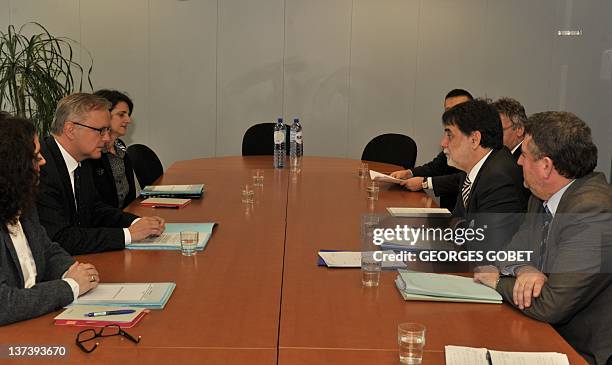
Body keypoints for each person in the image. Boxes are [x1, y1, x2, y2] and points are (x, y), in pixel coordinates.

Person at [474, 112, 612, 365]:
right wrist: (525, 268)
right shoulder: (541, 196)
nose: (518, 163)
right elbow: (508, 252)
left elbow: (551, 304)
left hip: (583, 350)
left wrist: (497, 282)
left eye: (524, 155)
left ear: (546, 165)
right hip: (544, 331)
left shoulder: (593, 212)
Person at [36, 93, 165, 255]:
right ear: (70, 129)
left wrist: (137, 222)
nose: (106, 138)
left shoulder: (82, 159)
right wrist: (128, 235)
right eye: (101, 131)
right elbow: (60, 238)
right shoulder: (40, 168)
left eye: (107, 130)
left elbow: (95, 210)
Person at [0, 115, 99, 326]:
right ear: (11, 165)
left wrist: (71, 270)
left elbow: (46, 248)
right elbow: (3, 304)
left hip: (34, 321)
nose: (43, 161)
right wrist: (70, 287)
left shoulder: (20, 200)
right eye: (35, 156)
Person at [440, 99, 528, 252]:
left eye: (450, 136)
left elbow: (485, 247)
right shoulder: (472, 167)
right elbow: (456, 221)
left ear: (475, 139)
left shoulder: (499, 177)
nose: (443, 143)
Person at [390, 89, 473, 209]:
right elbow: (436, 166)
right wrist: (409, 173)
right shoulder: (449, 136)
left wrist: (425, 183)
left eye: (459, 110)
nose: (443, 144)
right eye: (448, 111)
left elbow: (464, 179)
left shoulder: (476, 140)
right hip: (449, 210)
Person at [84, 89, 136, 209]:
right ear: (104, 114)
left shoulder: (121, 148)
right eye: (121, 114)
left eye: (128, 114)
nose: (128, 120)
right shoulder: (91, 153)